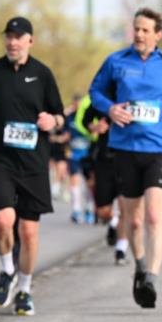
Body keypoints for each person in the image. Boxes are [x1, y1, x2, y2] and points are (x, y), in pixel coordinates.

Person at [89, 8, 162, 309]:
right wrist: (109, 108)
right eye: (136, 29)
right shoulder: (116, 61)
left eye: (145, 30)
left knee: (155, 216)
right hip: (125, 149)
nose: (139, 34)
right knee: (133, 220)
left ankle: (151, 278)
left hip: (158, 148)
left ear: (158, 34)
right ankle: (140, 264)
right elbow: (95, 91)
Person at [0, 16, 65, 317]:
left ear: (30, 41)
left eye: (18, 37)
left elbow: (60, 114)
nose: (12, 41)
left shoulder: (43, 74)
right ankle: (7, 269)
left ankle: (24, 288)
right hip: (1, 160)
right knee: (3, 221)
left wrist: (54, 121)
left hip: (34, 162)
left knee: (29, 231)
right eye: (8, 36)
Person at [82, 104, 130, 263]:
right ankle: (113, 223)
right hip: (104, 159)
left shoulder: (133, 94)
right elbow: (85, 119)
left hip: (126, 157)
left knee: (125, 207)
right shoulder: (102, 97)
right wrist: (94, 126)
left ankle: (121, 249)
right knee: (103, 211)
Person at [65, 94, 95, 224]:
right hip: (74, 154)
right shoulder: (69, 118)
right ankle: (76, 210)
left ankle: (89, 209)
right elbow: (65, 134)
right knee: (74, 181)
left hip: (88, 154)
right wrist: (67, 150)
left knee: (89, 184)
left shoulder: (89, 115)